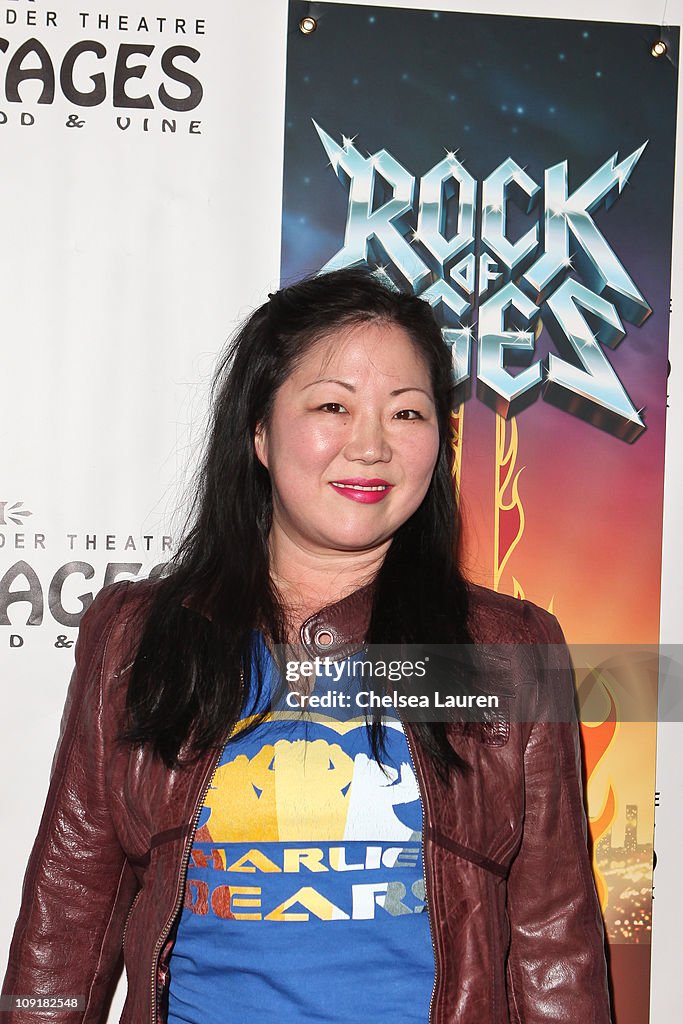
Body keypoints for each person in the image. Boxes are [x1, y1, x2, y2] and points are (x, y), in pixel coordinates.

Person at [2, 267, 612, 1024]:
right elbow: (68, 919)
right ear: (258, 430)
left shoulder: (505, 648)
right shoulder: (135, 637)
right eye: (332, 406)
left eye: (407, 413)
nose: (370, 446)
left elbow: (554, 935)